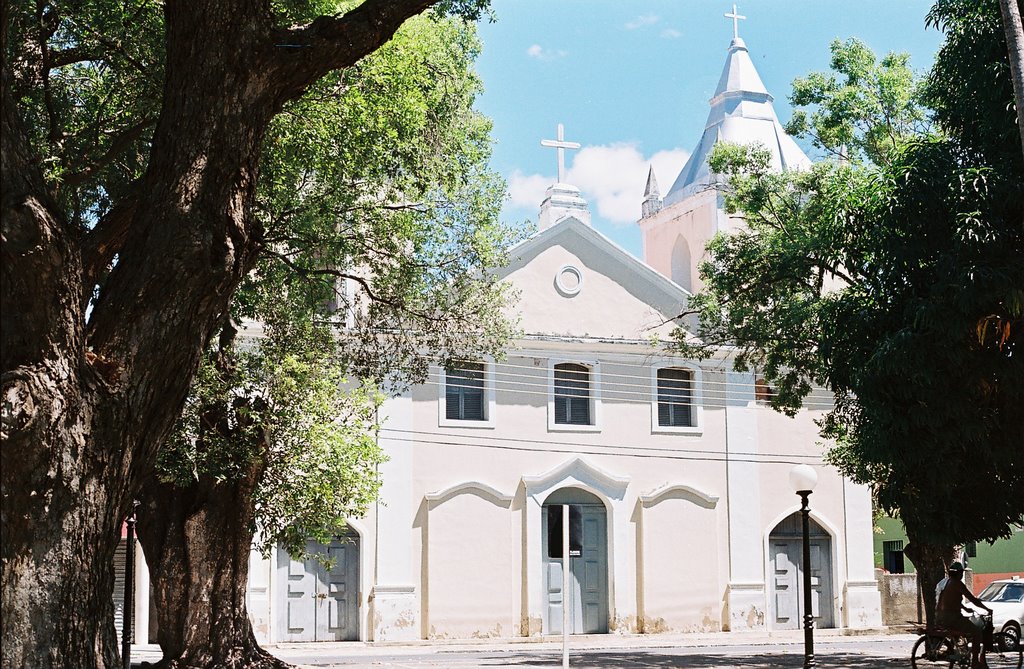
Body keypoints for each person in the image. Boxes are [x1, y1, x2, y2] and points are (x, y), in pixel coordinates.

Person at [936, 561, 993, 669]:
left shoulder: (947, 583)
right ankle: (975, 662)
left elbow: (952, 601)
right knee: (977, 632)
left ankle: (959, 654)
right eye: (961, 573)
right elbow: (972, 599)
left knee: (962, 631)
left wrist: (965, 608)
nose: (962, 575)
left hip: (943, 616)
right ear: (959, 573)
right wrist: (986, 609)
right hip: (953, 618)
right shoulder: (958, 584)